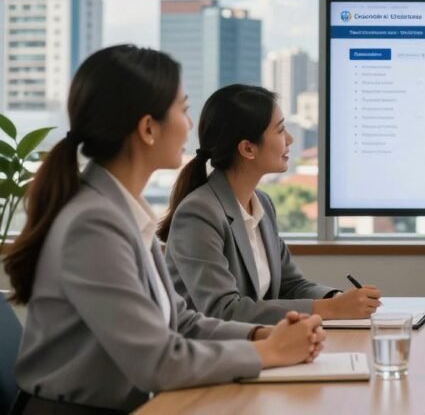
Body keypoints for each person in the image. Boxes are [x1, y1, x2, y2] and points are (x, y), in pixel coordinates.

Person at [2, 46, 325, 415]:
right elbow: (157, 362)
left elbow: (181, 322)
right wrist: (267, 352)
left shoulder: (122, 211)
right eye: (184, 109)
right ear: (148, 128)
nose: (190, 124)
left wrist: (260, 334)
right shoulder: (92, 224)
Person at [160, 84, 382, 325]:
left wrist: (337, 298)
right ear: (248, 148)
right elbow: (224, 311)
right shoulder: (199, 213)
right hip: (208, 355)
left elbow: (289, 285)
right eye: (280, 130)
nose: (290, 138)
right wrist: (330, 308)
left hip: (252, 346)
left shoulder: (262, 203)